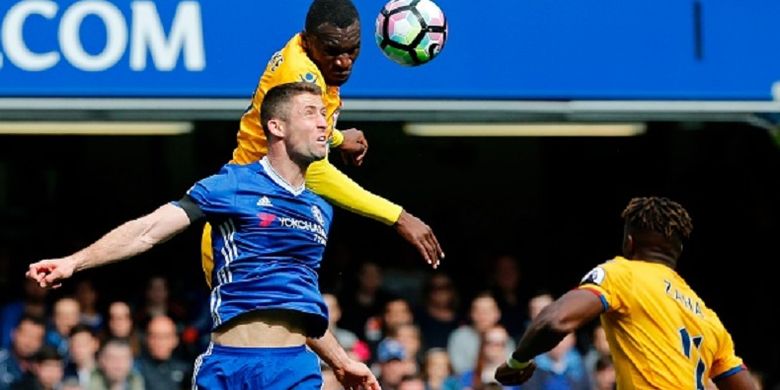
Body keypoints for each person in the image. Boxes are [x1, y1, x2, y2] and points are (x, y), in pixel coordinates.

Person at [26, 82, 379, 390]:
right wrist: (75, 261)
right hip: (228, 366)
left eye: (324, 114)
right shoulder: (232, 185)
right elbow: (148, 231)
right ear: (277, 126)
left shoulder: (321, 209)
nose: (323, 122)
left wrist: (341, 360)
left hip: (292, 369)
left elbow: (301, 304)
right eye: (310, 113)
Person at [199, 0, 444, 289]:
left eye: (352, 50)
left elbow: (298, 137)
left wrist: (337, 138)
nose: (343, 61)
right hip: (242, 226)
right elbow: (314, 172)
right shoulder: (299, 76)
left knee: (303, 326)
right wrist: (398, 217)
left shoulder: (311, 59)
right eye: (332, 51)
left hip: (269, 220)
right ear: (308, 39)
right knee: (277, 329)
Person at [494, 197, 756, 389]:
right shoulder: (707, 317)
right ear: (678, 252)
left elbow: (554, 320)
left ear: (629, 242)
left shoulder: (623, 274)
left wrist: (518, 361)